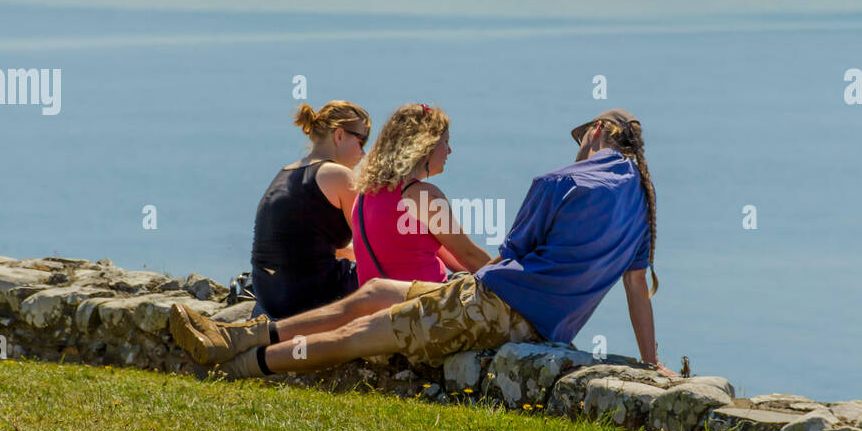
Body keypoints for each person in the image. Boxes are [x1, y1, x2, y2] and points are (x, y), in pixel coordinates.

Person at [172, 108, 678, 380]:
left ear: (597, 133)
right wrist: (650, 359)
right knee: (372, 301)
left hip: (497, 307)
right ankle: (237, 340)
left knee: (361, 329)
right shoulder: (641, 207)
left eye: (583, 139)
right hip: (510, 306)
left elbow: (510, 257)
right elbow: (636, 288)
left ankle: (237, 363)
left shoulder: (559, 182)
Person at [247, 100, 370, 320]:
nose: (363, 153)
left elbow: (307, 246)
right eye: (361, 141)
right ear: (339, 135)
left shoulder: (285, 172)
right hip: (312, 297)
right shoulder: (339, 176)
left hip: (269, 296)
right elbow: (371, 246)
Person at [351, 102, 490, 285]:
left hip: (379, 302)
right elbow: (469, 255)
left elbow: (454, 257)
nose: (449, 150)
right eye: (445, 142)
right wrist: (515, 276)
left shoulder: (367, 192)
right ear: (426, 146)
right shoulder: (422, 195)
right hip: (422, 305)